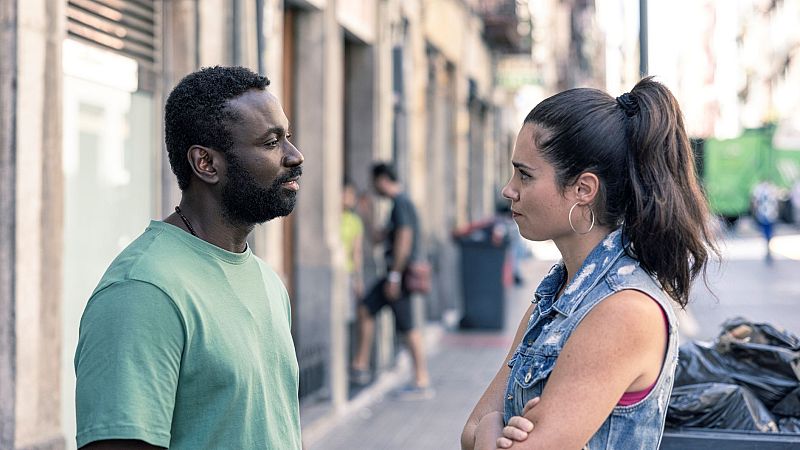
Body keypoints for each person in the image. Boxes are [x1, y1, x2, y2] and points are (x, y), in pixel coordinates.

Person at [461, 77, 718, 450]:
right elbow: (468, 430)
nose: (508, 189)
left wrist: (491, 427)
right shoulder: (556, 293)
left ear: (583, 190)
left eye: (525, 174)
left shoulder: (623, 308)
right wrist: (490, 428)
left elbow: (480, 430)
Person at [74, 66, 304, 450]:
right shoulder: (143, 291)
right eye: (271, 142)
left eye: (288, 137)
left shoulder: (267, 280)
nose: (295, 156)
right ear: (206, 164)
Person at [350, 163, 432, 397]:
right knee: (368, 309)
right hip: (396, 275)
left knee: (407, 326)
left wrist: (395, 277)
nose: (373, 187)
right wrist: (365, 214)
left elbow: (404, 240)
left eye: (374, 181)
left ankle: (421, 379)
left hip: (399, 275)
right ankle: (361, 366)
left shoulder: (401, 203)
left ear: (383, 179)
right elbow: (378, 239)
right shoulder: (398, 205)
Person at [341, 179, 365, 321]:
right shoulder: (332, 218)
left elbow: (357, 253)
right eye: (346, 193)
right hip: (339, 269)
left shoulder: (355, 221)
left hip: (348, 273)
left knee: (346, 316)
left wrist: (357, 279)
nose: (350, 198)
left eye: (352, 195)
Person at [751, 179, 780, 262]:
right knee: (768, 229)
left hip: (764, 213)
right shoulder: (771, 189)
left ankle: (768, 243)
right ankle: (768, 243)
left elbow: (755, 202)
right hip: (769, 213)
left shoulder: (759, 189)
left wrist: (755, 211)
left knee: (766, 229)